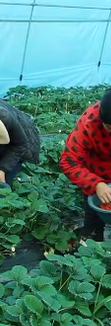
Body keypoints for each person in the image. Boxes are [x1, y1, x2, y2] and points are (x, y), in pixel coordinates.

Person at [59, 90, 111, 241]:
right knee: (94, 218)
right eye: (109, 126)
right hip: (96, 171)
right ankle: (92, 241)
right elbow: (68, 161)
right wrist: (96, 184)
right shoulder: (89, 122)